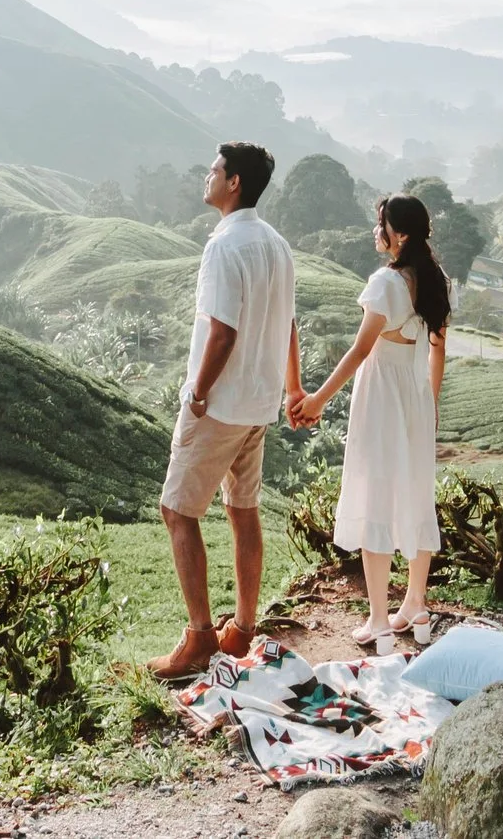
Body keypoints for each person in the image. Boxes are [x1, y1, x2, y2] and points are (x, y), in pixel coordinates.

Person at [148, 142, 301, 680]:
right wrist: (291, 389)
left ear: (234, 182)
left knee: (177, 510)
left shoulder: (223, 247)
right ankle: (242, 629)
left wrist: (197, 391)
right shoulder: (278, 245)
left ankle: (199, 640)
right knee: (242, 509)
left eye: (212, 170)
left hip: (219, 403)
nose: (206, 177)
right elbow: (288, 324)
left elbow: (223, 329)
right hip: (258, 403)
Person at [293, 192, 449, 647]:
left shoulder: (386, 283)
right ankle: (415, 604)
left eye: (380, 223)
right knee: (418, 495)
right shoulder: (437, 279)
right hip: (416, 395)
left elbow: (361, 350)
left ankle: (379, 619)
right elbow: (438, 348)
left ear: (397, 234)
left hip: (382, 394)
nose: (375, 231)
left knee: (376, 495)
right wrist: (431, 403)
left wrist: (319, 397)